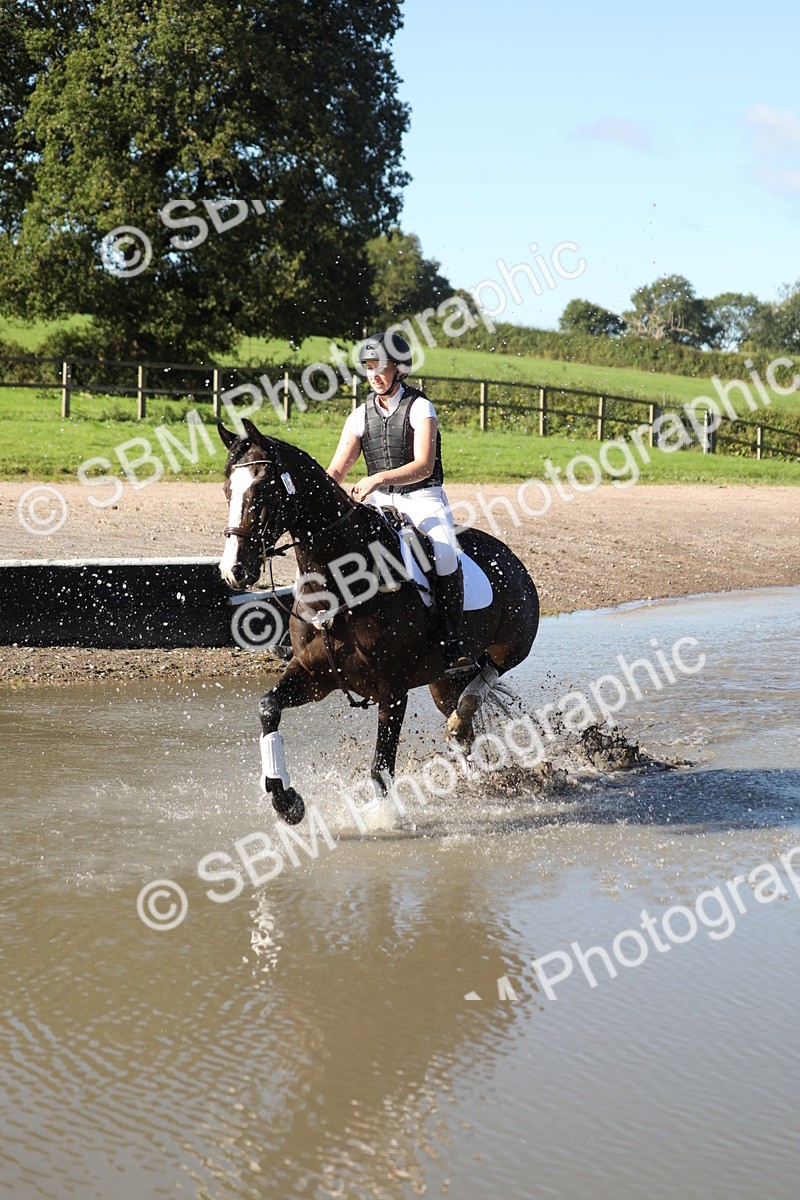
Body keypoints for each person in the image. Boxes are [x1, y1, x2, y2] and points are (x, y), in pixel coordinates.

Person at [327, 331, 472, 675]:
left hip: (422, 498)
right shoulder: (359, 415)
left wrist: (378, 478)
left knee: (445, 550)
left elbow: (423, 464)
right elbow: (336, 470)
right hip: (379, 502)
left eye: (381, 367)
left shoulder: (421, 407)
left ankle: (453, 640)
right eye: (368, 367)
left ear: (399, 369)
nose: (374, 374)